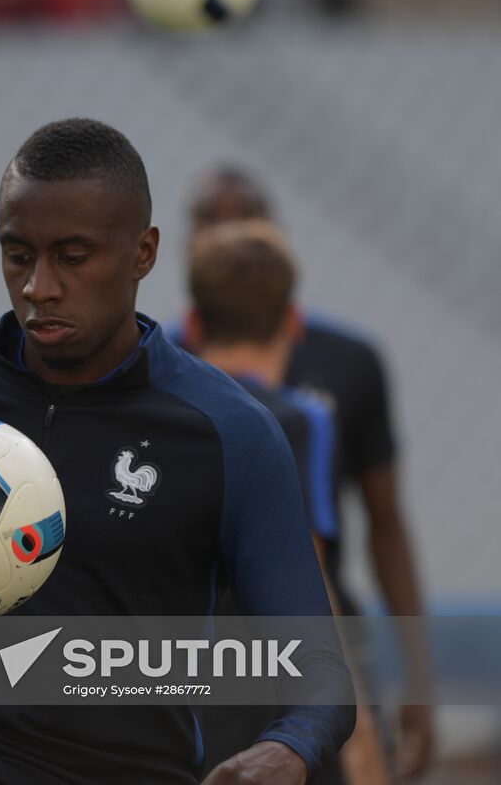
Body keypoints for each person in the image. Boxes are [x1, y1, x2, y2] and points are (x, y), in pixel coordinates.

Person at [0, 120, 355, 785]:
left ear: (142, 253)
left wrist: (288, 747)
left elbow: (318, 669)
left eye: (72, 257)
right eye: (17, 254)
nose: (38, 287)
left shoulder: (227, 431)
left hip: (133, 771)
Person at [176, 166, 432, 781]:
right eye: (214, 220)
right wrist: (362, 736)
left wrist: (417, 678)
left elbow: (380, 522)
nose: (231, 233)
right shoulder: (158, 373)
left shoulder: (344, 366)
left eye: (248, 218)